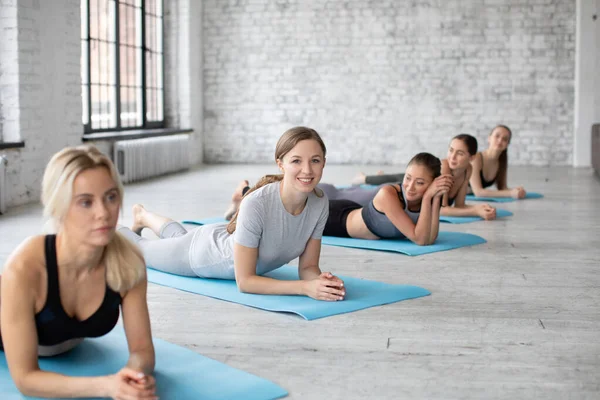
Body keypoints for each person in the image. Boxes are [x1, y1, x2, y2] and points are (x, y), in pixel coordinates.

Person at [0, 145, 156, 399]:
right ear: (58, 207)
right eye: (86, 202)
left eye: (111, 197)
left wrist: (133, 377)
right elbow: (25, 379)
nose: (103, 213)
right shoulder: (24, 268)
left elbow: (142, 351)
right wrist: (107, 385)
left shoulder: (128, 262)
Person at [119, 127, 346, 302]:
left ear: (323, 163)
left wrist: (321, 282)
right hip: (201, 256)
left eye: (315, 161)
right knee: (140, 250)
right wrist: (304, 289)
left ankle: (143, 215)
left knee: (178, 237)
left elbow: (307, 268)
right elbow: (245, 281)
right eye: (296, 161)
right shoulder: (257, 203)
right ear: (281, 164)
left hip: (218, 238)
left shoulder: (319, 202)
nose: (307, 170)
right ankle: (118, 231)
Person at [322, 153, 452, 246]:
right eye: (407, 178)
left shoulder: (432, 198)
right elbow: (420, 240)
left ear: (432, 184)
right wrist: (428, 197)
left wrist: (434, 198)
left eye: (420, 182)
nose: (410, 187)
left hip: (351, 209)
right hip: (334, 219)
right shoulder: (388, 194)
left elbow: (430, 238)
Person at [469, 125, 526, 199]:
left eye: (505, 139)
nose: (500, 140)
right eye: (497, 136)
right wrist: (511, 193)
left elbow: (503, 188)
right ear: (489, 138)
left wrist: (517, 190)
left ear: (507, 145)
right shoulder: (476, 158)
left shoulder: (501, 162)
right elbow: (478, 192)